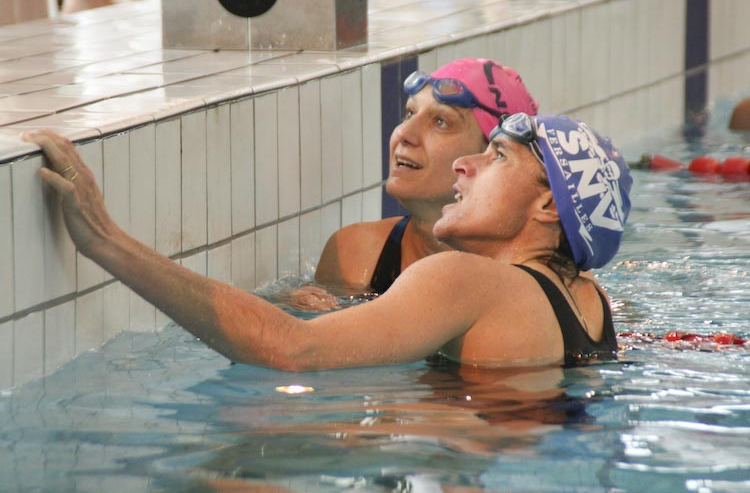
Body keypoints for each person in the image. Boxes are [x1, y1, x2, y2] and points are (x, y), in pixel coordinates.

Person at [25, 111, 632, 369]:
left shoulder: (467, 278)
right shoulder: (589, 300)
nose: (463, 164)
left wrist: (106, 240)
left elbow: (293, 348)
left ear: (548, 205)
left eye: (496, 156)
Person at [312, 58, 539, 297]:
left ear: (493, 156)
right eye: (409, 113)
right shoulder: (355, 255)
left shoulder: (524, 284)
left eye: (441, 122)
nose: (404, 133)